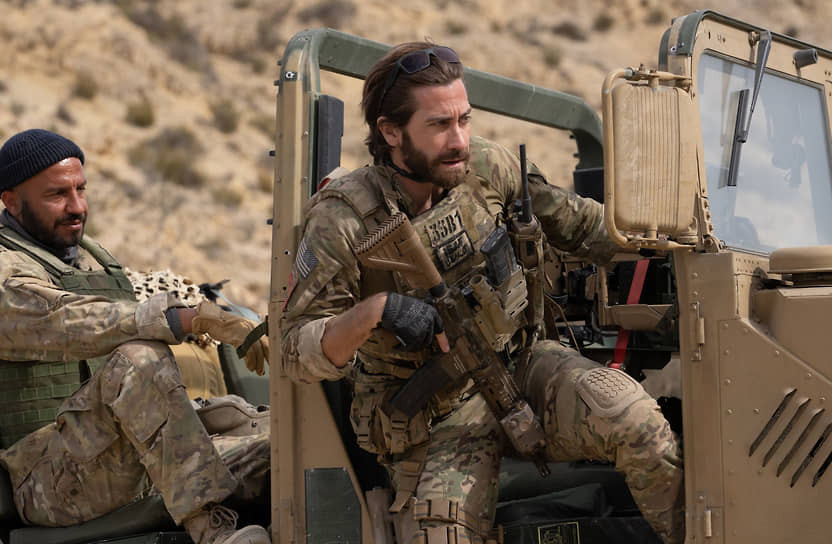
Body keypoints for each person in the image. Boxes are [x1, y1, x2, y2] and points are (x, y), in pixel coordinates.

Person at [279, 42, 683, 543]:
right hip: (437, 415)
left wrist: (676, 245)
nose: (459, 141)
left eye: (464, 120)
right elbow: (294, 351)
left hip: (521, 364)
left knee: (637, 421)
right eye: (439, 125)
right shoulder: (342, 219)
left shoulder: (488, 167)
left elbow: (583, 226)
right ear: (390, 132)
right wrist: (377, 311)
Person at [0, 129, 271, 544]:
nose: (77, 207)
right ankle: (211, 530)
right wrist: (191, 319)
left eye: (80, 189)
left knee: (279, 451)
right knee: (140, 359)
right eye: (57, 194)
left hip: (121, 456)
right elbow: (72, 321)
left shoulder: (90, 260)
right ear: (11, 201)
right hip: (50, 485)